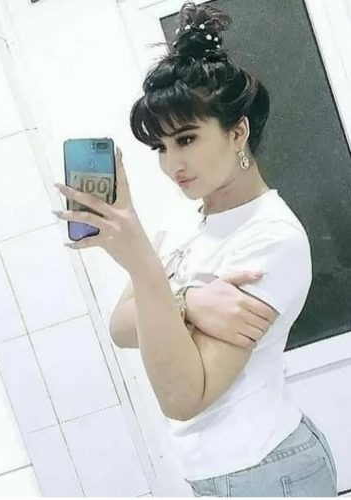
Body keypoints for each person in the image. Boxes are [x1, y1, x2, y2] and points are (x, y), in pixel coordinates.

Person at [125, 1, 338, 496]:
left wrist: (144, 270)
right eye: (160, 147)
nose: (172, 164)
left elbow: (186, 396)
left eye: (186, 139)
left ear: (237, 131)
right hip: (220, 473)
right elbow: (120, 324)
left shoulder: (271, 237)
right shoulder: (183, 220)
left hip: (267, 469)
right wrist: (190, 301)